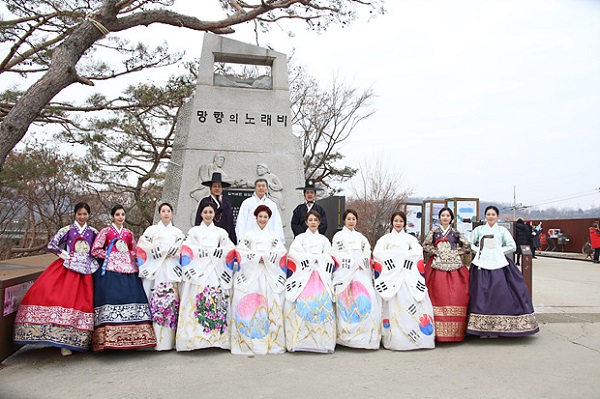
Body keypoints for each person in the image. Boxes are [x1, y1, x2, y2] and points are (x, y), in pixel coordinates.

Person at [14, 202, 99, 356]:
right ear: (75, 215)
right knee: (63, 299)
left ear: (88, 215)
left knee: (83, 303)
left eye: (85, 214)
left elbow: (100, 248)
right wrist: (67, 255)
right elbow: (52, 245)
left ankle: (80, 339)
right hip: (68, 269)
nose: (82, 217)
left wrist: (92, 258)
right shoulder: (67, 230)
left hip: (86, 271)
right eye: (79, 214)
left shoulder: (93, 232)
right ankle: (61, 341)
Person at [90, 204, 156, 351]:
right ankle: (108, 339)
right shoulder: (106, 232)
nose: (120, 217)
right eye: (117, 214)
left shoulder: (128, 233)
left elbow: (133, 250)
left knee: (132, 296)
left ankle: (135, 338)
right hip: (110, 269)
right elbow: (95, 250)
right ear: (113, 216)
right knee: (109, 297)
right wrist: (109, 254)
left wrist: (129, 256)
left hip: (128, 268)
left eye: (122, 215)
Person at [467, 206, 539, 337]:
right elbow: (469, 243)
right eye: (488, 214)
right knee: (480, 292)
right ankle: (479, 327)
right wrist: (478, 250)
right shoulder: (479, 230)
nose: (490, 216)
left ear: (497, 216)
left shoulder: (502, 230)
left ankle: (502, 325)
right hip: (481, 263)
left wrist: (499, 251)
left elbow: (512, 245)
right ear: (485, 216)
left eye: (493, 214)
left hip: (499, 263)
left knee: (500, 292)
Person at [176, 202, 236, 351]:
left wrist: (217, 253)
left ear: (214, 214)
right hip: (199, 271)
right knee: (198, 300)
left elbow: (230, 248)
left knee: (215, 300)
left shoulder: (221, 232)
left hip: (215, 271)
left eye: (210, 212)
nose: (208, 215)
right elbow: (187, 249)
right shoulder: (194, 231)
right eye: (205, 212)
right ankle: (196, 338)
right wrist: (201, 252)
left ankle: (217, 338)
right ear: (201, 214)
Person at [373, 211, 435, 351]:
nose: (398, 223)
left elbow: (417, 252)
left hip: (408, 277)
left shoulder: (410, 239)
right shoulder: (385, 239)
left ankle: (415, 336)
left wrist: (402, 259)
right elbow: (378, 254)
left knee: (411, 304)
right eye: (396, 221)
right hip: (391, 277)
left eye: (401, 221)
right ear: (392, 222)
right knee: (392, 308)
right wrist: (396, 259)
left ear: (404, 223)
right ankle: (394, 338)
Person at [230, 205, 287, 355]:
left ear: (269, 219)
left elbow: (281, 252)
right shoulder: (248, 236)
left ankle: (272, 342)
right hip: (252, 275)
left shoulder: (273, 237)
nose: (262, 219)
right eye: (260, 216)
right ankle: (249, 340)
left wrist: (266, 258)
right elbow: (241, 252)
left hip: (269, 274)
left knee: (270, 304)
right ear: (256, 218)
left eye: (265, 217)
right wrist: (257, 257)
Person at [285, 211, 335, 353]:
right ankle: (302, 341)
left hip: (320, 276)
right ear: (306, 222)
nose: (313, 222)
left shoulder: (324, 240)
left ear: (319, 222)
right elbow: (293, 254)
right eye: (310, 220)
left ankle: (323, 343)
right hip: (304, 277)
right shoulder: (300, 239)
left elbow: (329, 256)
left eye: (316, 220)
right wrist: (311, 258)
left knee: (322, 305)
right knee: (304, 305)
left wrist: (319, 258)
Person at [330, 209, 381, 350]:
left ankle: (363, 336)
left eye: (353, 219)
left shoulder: (361, 237)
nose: (351, 221)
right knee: (346, 304)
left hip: (360, 272)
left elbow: (367, 253)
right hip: (346, 275)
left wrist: (360, 262)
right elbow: (335, 254)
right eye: (349, 219)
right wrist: (351, 262)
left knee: (366, 302)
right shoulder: (338, 236)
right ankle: (345, 337)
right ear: (344, 220)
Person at [137, 202, 185, 351]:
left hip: (171, 269)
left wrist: (173, 250)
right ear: (159, 213)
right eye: (163, 211)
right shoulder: (151, 230)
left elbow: (183, 247)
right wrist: (160, 250)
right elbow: (142, 246)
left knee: (171, 303)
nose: (165, 213)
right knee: (155, 302)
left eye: (168, 211)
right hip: (156, 269)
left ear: (172, 214)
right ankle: (153, 340)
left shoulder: (177, 232)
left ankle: (169, 342)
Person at [422, 207, 471, 342]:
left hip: (455, 266)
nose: (445, 218)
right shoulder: (435, 232)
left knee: (457, 294)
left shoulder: (455, 233)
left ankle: (457, 330)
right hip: (437, 265)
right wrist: (437, 251)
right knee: (437, 293)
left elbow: (466, 246)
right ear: (439, 218)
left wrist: (455, 252)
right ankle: (436, 330)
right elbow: (425, 245)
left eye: (447, 215)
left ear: (451, 218)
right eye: (443, 215)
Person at [235, 178, 285, 244]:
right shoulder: (247, 203)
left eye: (263, 186)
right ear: (255, 188)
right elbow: (241, 222)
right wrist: (241, 239)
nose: (261, 188)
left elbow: (276, 223)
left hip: (268, 240)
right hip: (250, 240)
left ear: (267, 188)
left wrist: (278, 240)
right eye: (259, 186)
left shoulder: (271, 204)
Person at [194, 172, 237, 243]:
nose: (217, 188)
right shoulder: (205, 201)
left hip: (223, 238)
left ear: (222, 188)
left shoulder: (227, 202)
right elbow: (198, 220)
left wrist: (232, 240)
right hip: (207, 237)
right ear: (210, 189)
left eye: (219, 186)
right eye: (214, 186)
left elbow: (230, 222)